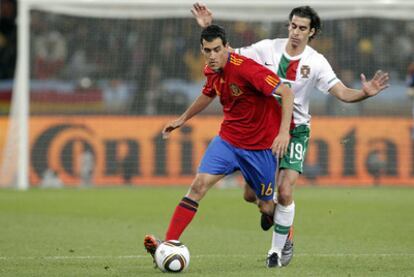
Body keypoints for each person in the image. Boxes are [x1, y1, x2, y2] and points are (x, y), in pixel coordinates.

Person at [191, 3, 390, 267]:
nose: (295, 32)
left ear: (312, 32)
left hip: (295, 131)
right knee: (252, 197)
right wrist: (207, 27)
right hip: (263, 130)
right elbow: (227, 54)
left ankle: (278, 249)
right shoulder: (266, 48)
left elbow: (342, 93)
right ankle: (276, 214)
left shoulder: (316, 62)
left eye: (302, 28)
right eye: (293, 26)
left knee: (285, 191)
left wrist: (364, 93)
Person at [144, 24, 294, 268]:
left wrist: (283, 133)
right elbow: (207, 93)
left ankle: (284, 227)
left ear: (226, 47)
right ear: (202, 50)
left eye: (216, 50)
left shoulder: (247, 68)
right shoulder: (211, 69)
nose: (212, 56)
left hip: (259, 148)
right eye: (207, 51)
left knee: (263, 204)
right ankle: (169, 244)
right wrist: (182, 119)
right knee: (198, 186)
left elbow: (286, 93)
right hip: (228, 141)